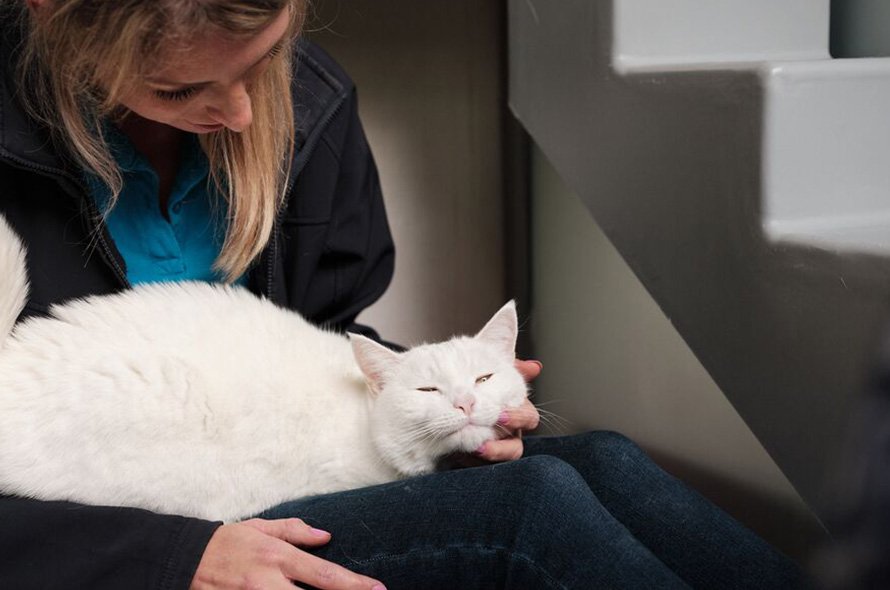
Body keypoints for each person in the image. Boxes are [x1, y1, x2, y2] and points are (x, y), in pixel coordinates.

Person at [0, 0, 807, 588]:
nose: (244, 112)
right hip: (106, 530)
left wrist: (428, 396)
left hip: (270, 456)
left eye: (264, 60)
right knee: (530, 510)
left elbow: (319, 340)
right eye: (180, 91)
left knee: (605, 459)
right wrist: (169, 558)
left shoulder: (313, 105)